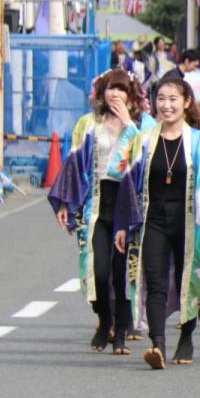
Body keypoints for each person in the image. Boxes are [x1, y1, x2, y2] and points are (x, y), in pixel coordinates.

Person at [113, 74, 200, 369]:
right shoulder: (143, 141)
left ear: (186, 102)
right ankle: (158, 344)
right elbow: (127, 182)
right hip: (154, 219)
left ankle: (186, 338)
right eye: (161, 99)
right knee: (154, 280)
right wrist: (122, 224)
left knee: (188, 280)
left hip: (190, 220)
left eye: (173, 99)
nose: (166, 106)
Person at [49, 69, 157, 355]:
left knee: (123, 273)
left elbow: (146, 158)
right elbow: (72, 163)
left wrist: (127, 125)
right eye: (110, 88)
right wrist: (64, 203)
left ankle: (120, 334)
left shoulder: (141, 127)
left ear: (131, 95)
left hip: (127, 208)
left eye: (121, 89)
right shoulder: (88, 124)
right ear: (101, 92)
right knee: (98, 270)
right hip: (96, 206)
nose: (114, 94)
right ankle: (104, 320)